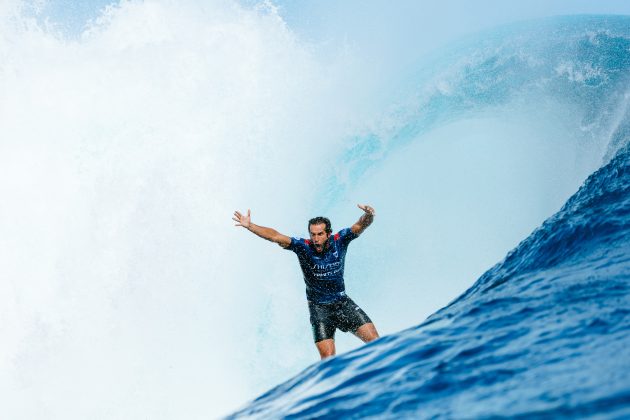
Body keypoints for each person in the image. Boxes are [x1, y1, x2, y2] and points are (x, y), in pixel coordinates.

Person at [232, 204, 380, 359]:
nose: (316, 239)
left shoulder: (340, 240)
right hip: (320, 310)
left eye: (320, 234)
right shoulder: (303, 247)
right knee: (328, 359)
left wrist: (369, 215)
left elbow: (360, 225)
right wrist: (250, 226)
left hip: (343, 303)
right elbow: (275, 236)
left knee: (376, 341)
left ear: (329, 233)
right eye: (313, 234)